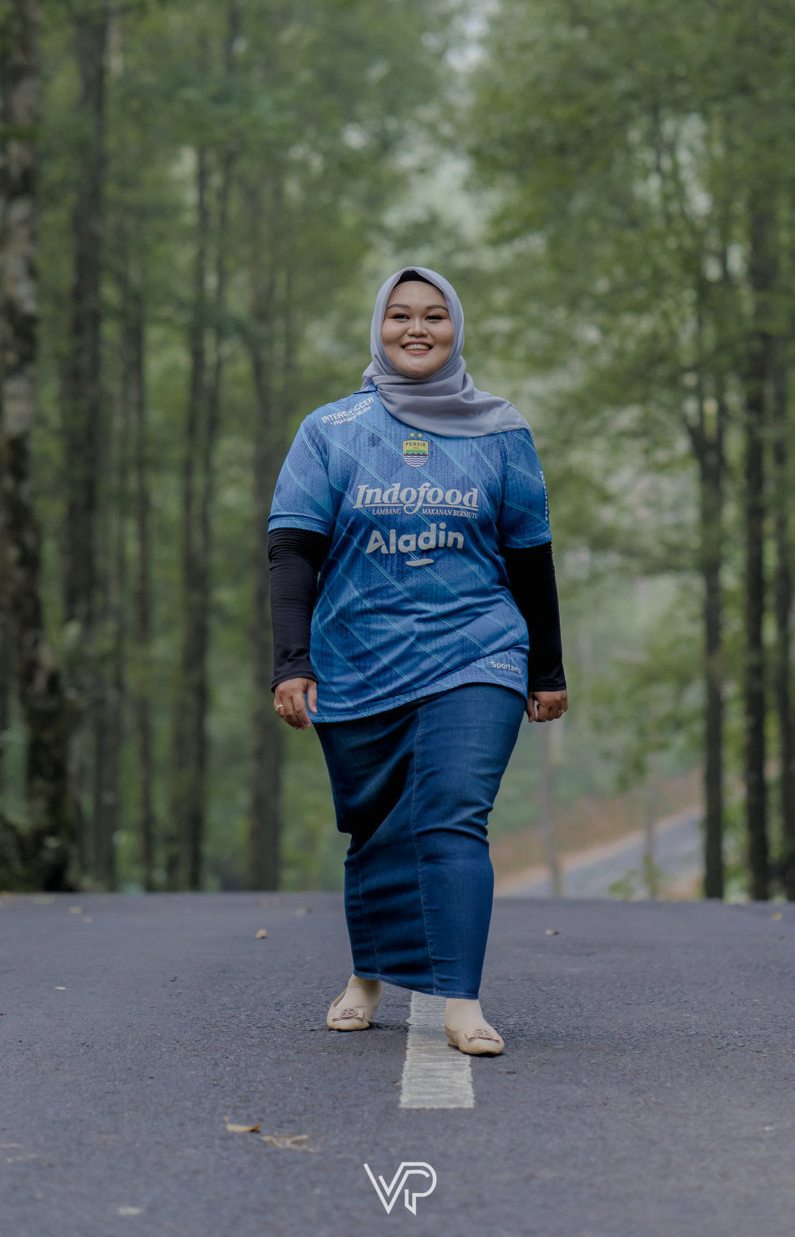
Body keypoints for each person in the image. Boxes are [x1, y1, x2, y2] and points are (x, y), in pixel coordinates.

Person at [266, 266, 567, 1056]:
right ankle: (368, 974)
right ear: (379, 328)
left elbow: (530, 556)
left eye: (434, 315)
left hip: (478, 650)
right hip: (358, 657)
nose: (417, 329)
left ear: (455, 328)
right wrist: (292, 663)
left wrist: (546, 670)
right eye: (400, 315)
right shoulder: (331, 430)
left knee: (452, 813)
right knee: (374, 825)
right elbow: (293, 552)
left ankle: (458, 999)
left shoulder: (500, 430)